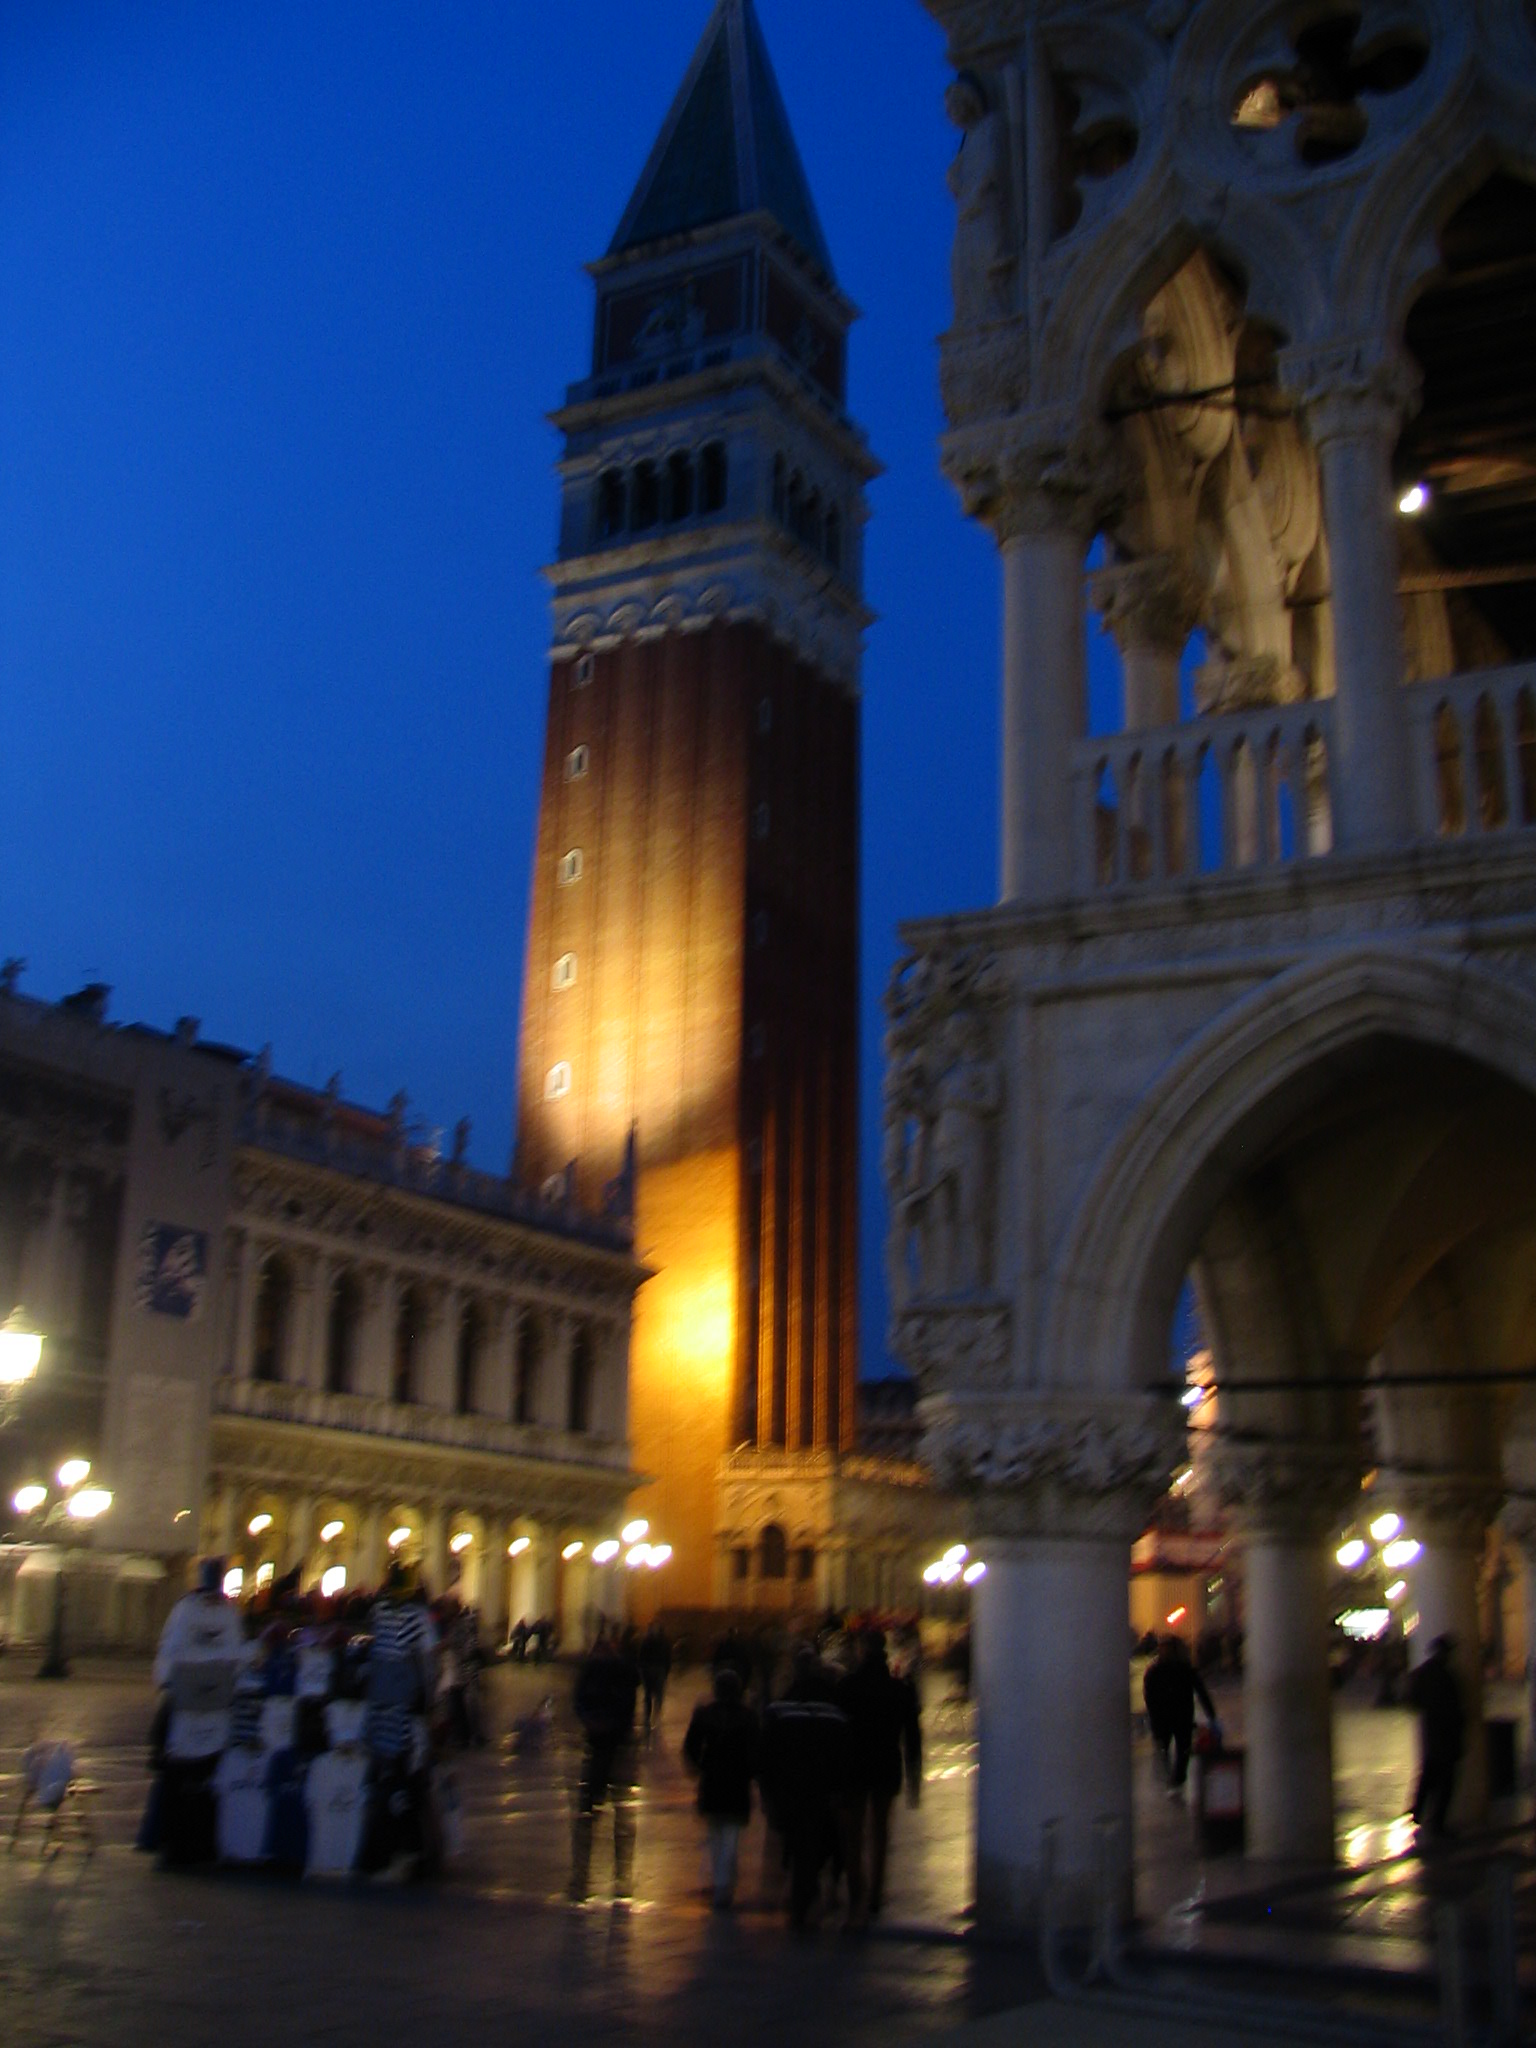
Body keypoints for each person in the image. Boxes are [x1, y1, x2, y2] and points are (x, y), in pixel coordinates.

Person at [150, 1556, 247, 1863]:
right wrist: (168, 1682)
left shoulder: (228, 1613)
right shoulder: (186, 1610)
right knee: (181, 1775)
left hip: (214, 1705)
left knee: (208, 1781)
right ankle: (175, 1845)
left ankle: (202, 1845)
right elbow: (170, 1648)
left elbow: (236, 1653)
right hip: (189, 1702)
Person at [758, 1643, 849, 1928]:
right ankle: (810, 1896)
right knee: (820, 1841)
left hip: (790, 1788)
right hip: (822, 1788)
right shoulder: (834, 1706)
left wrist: (768, 1790)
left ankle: (801, 1900)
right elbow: (843, 1750)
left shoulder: (781, 1706)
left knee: (796, 1844)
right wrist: (840, 1786)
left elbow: (766, 1753)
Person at [836, 1630, 921, 1922]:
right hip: (886, 1765)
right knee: (881, 1831)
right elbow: (912, 1736)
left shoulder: (847, 1686)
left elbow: (838, 1730)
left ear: (862, 1650)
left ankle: (855, 1889)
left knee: (853, 1832)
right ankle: (876, 1892)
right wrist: (914, 1777)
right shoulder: (900, 1689)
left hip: (855, 1766)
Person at [570, 1627, 639, 1901]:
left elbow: (579, 1701)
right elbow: (628, 1703)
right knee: (617, 1817)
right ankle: (618, 1877)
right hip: (614, 1748)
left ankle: (583, 1877)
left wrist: (593, 1722)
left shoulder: (596, 1670)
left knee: (590, 1816)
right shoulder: (618, 1669)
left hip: (603, 1748)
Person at [682, 1666, 759, 1908]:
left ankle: (720, 1881)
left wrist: (699, 1766)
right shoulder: (748, 1717)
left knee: (714, 1834)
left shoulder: (706, 1715)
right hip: (737, 1783)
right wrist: (752, 1773)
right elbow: (756, 1751)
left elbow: (691, 1746)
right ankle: (725, 1885)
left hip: (712, 1781)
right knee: (731, 1837)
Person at [1142, 1633, 1217, 1794]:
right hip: (1176, 1717)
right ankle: (1175, 1780)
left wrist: (1211, 1714)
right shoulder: (1183, 1669)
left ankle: (1174, 1780)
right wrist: (1211, 1715)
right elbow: (1201, 1691)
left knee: (1173, 1750)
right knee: (1178, 1750)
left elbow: (1149, 1696)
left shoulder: (1157, 1670)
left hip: (1170, 1718)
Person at [1408, 1634, 1466, 1838]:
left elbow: (1413, 1701)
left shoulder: (1422, 1674)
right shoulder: (1447, 1676)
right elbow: (1455, 1708)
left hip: (1431, 1734)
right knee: (1445, 1784)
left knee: (1428, 1776)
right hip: (1447, 1736)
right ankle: (1437, 1823)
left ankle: (1418, 1811)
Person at [639, 1621, 672, 1733]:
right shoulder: (664, 1642)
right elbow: (668, 1657)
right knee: (659, 1694)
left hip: (648, 1669)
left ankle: (647, 1716)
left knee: (648, 1694)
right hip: (659, 1669)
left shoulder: (646, 1641)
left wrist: (642, 1670)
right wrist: (667, 1671)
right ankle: (656, 1715)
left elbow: (641, 1656)